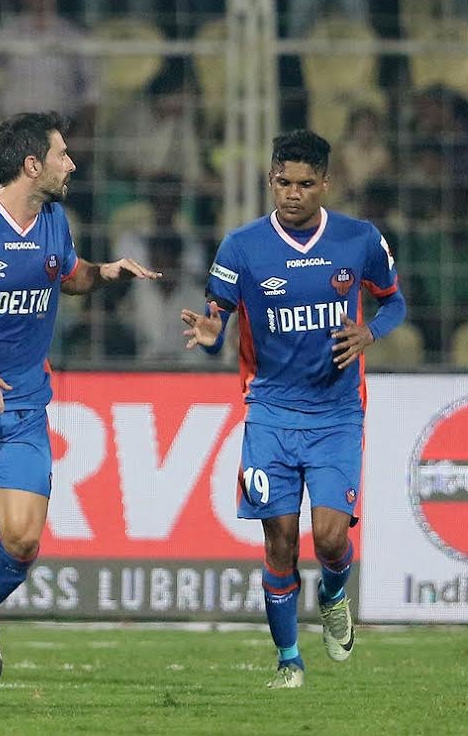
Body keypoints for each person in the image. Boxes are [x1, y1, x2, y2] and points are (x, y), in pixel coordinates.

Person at [0, 111, 161, 693]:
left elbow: (66, 275)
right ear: (31, 165)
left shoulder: (54, 221)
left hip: (23, 406)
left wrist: (106, 272)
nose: (71, 163)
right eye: (62, 154)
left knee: (21, 541)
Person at [180, 130, 406, 689]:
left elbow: (394, 300)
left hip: (336, 414)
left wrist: (370, 333)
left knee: (329, 538)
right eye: (284, 182)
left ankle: (332, 594)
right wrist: (210, 334)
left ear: (325, 184)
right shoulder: (241, 247)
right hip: (270, 413)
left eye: (306, 184)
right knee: (279, 538)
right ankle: (289, 660)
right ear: (271, 180)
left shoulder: (360, 241)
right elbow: (217, 321)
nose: (294, 194)